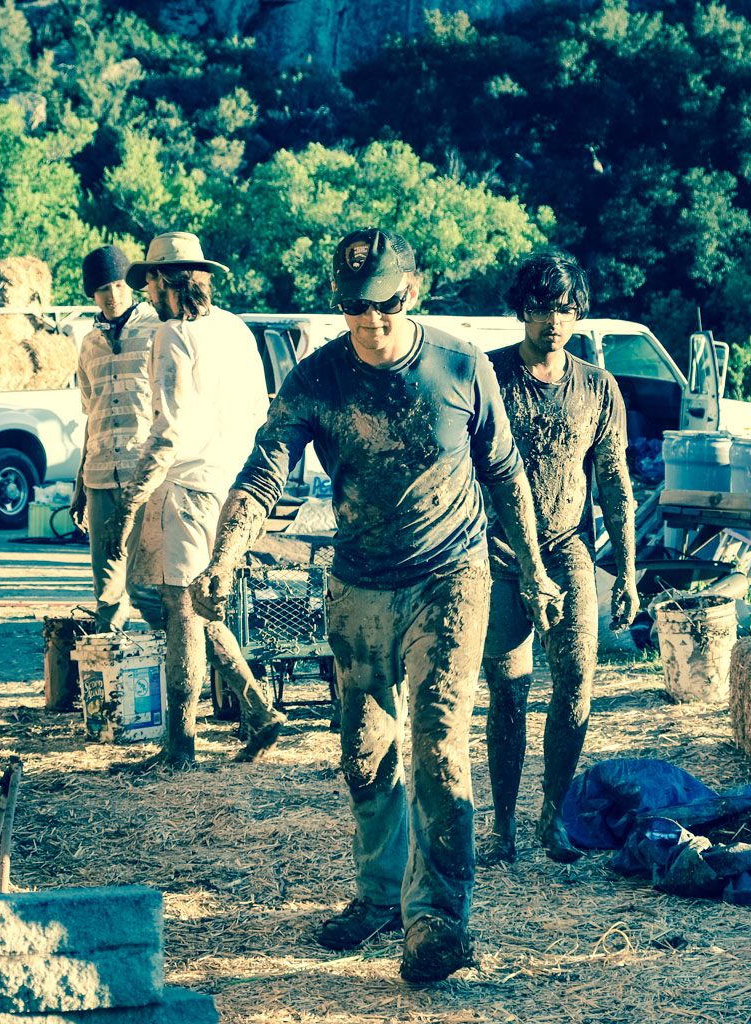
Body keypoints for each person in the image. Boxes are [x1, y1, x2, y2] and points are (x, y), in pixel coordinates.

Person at [190, 227, 564, 984]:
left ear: (412, 292)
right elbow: (264, 472)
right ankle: (379, 896)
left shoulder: (460, 365)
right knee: (365, 751)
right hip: (359, 581)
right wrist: (224, 555)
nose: (371, 320)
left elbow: (506, 474)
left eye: (386, 304)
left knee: (438, 745)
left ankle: (437, 920)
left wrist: (533, 570)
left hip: (450, 576)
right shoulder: (317, 378)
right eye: (355, 307)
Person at [100, 231, 283, 769]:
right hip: (234, 485)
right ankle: (260, 710)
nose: (147, 294)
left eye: (149, 283)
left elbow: (167, 431)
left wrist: (128, 506)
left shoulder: (171, 333)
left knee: (181, 610)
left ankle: (180, 747)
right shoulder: (236, 329)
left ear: (163, 280)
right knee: (202, 605)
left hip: (185, 486)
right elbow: (260, 412)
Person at [479, 252, 639, 867]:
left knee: (575, 685)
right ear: (522, 310)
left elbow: (615, 483)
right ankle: (503, 825)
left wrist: (626, 573)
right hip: (497, 552)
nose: (554, 321)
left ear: (579, 313)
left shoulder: (598, 387)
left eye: (566, 309)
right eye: (543, 308)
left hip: (567, 545)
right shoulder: (489, 376)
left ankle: (552, 816)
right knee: (508, 691)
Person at [72, 245, 163, 632]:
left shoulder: (157, 332)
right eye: (102, 289)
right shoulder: (88, 344)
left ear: (131, 286)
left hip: (144, 477)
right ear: (92, 294)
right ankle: (109, 664)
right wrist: (79, 483)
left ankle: (176, 655)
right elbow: (90, 416)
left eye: (118, 285)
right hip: (98, 478)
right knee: (107, 592)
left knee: (146, 586)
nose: (111, 295)